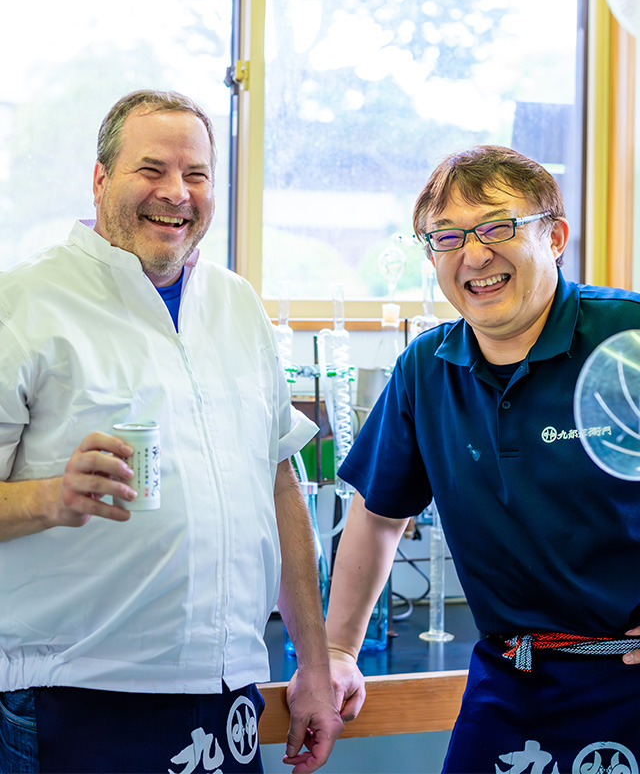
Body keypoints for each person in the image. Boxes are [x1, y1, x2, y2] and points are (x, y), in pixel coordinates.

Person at [0, 89, 342, 774]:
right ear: (100, 180)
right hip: (75, 690)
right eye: (150, 169)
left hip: (227, 691)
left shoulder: (237, 304)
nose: (175, 193)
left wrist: (314, 664)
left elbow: (279, 486)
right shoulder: (26, 304)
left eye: (197, 175)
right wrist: (50, 499)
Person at [324, 145, 640, 773]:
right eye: (446, 236)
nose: (474, 254)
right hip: (509, 678)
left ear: (555, 237)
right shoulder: (427, 369)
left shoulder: (624, 342)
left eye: (498, 226)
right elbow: (378, 515)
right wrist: (337, 650)